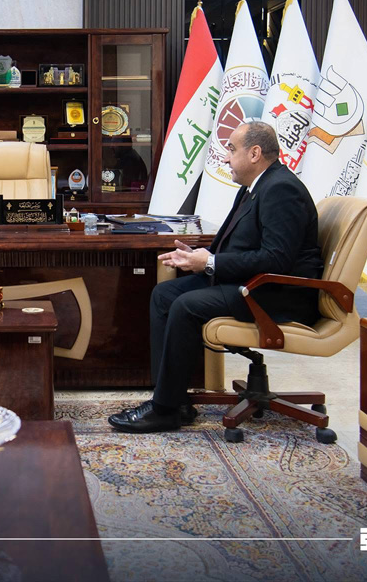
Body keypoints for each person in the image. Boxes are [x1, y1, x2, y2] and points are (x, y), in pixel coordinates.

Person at [108, 121, 323, 433]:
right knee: (164, 295)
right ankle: (174, 400)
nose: (225, 157)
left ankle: (165, 410)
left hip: (276, 295)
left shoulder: (281, 189)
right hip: (251, 285)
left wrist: (210, 262)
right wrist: (198, 257)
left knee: (186, 306)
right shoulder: (255, 187)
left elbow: (277, 259)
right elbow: (239, 246)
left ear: (255, 153)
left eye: (232, 150)